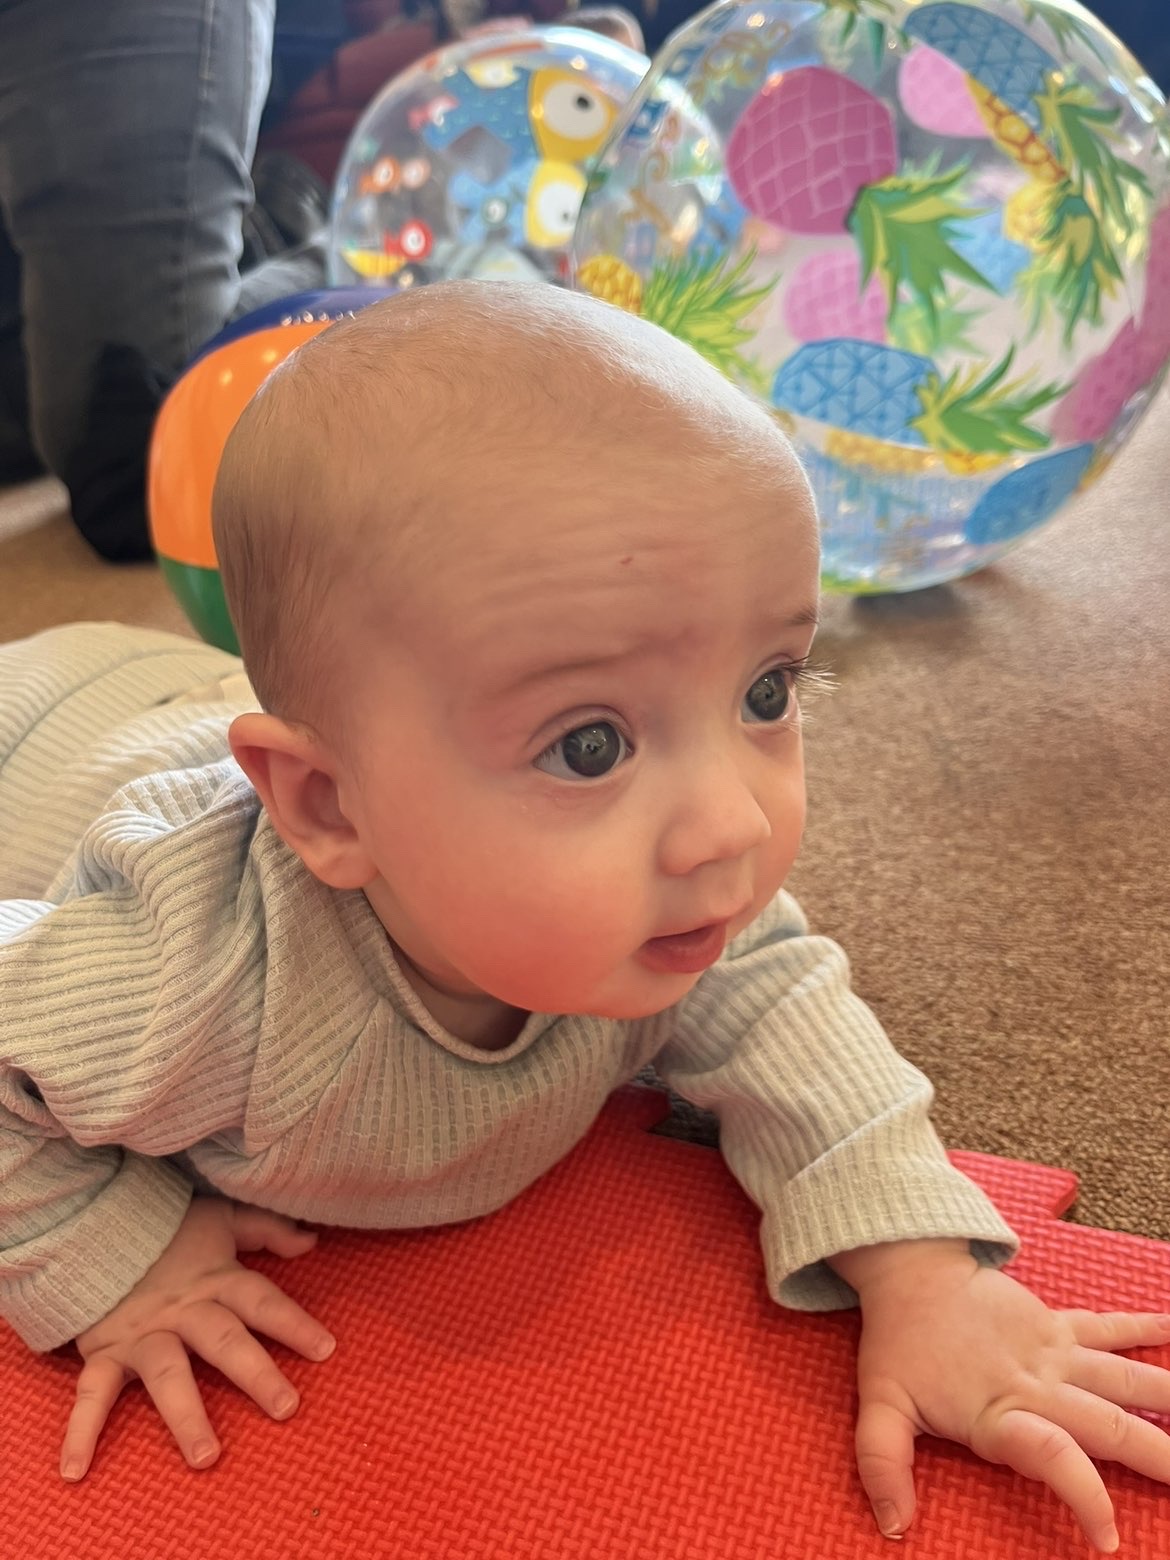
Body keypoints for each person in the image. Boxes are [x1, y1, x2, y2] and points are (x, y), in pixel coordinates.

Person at [2, 284, 1169, 1552]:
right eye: (590, 744)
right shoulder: (191, 975)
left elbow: (788, 1019)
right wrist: (115, 1256)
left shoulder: (671, 903)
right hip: (46, 728)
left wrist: (923, 1272)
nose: (730, 823)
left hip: (222, 705)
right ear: (329, 807)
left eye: (767, 690)